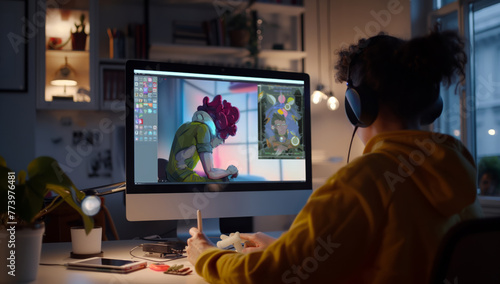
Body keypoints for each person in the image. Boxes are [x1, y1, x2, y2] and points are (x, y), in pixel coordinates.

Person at [186, 27, 483, 284]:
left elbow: (271, 276)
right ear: (432, 104)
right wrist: (285, 248)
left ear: (356, 104)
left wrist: (206, 256)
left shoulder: (365, 180)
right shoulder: (456, 169)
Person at [166, 95, 239, 182]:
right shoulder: (203, 129)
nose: (222, 142)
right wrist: (228, 172)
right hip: (181, 178)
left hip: (172, 175)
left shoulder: (187, 126)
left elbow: (211, 169)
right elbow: (211, 173)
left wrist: (227, 172)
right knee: (222, 183)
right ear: (215, 129)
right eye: (222, 137)